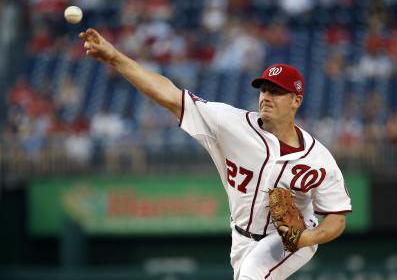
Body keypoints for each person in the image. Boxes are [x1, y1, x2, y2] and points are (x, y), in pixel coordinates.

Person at [80, 28, 352, 279]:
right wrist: (115, 57)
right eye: (264, 89)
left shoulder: (318, 159)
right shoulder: (229, 123)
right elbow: (170, 95)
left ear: (296, 100)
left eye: (277, 92)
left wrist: (306, 238)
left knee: (252, 274)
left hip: (289, 238)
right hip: (240, 236)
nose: (266, 96)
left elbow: (337, 218)